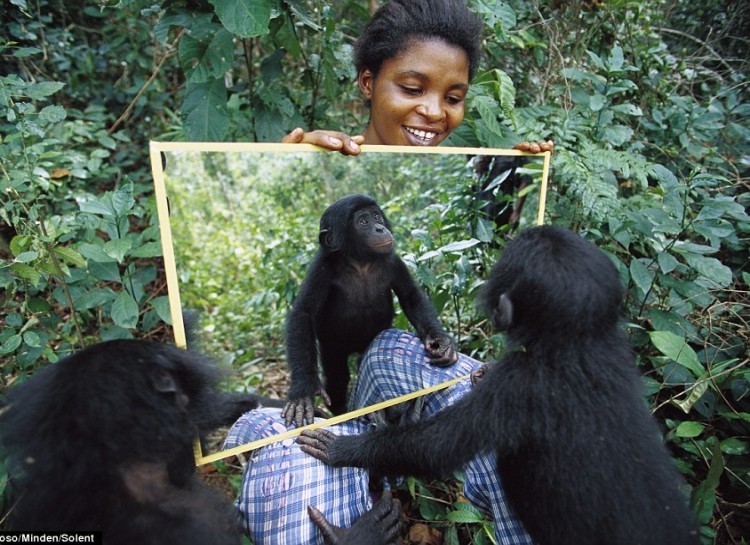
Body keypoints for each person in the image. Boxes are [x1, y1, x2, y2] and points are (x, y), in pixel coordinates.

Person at [227, 0, 547, 542]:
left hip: (388, 350)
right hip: (335, 350)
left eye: (453, 97)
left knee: (495, 413)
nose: (433, 111)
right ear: (367, 83)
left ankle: (380, 446)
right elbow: (299, 319)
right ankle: (352, 438)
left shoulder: (390, 257)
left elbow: (418, 302)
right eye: (412, 88)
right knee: (336, 396)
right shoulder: (326, 261)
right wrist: (303, 387)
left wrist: (526, 176)